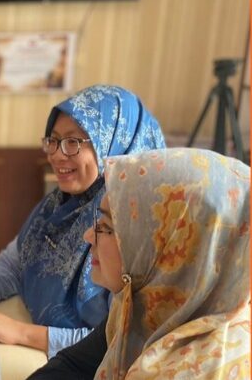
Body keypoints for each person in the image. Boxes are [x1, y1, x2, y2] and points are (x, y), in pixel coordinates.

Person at [0, 85, 166, 357]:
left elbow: (121, 342)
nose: (56, 154)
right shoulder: (58, 205)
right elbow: (16, 262)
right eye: (53, 140)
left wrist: (21, 333)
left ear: (115, 143)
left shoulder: (134, 228)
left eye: (73, 142)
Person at [28, 148, 250, 379]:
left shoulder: (188, 371)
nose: (88, 236)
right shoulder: (146, 307)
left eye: (108, 226)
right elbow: (72, 364)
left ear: (170, 249)